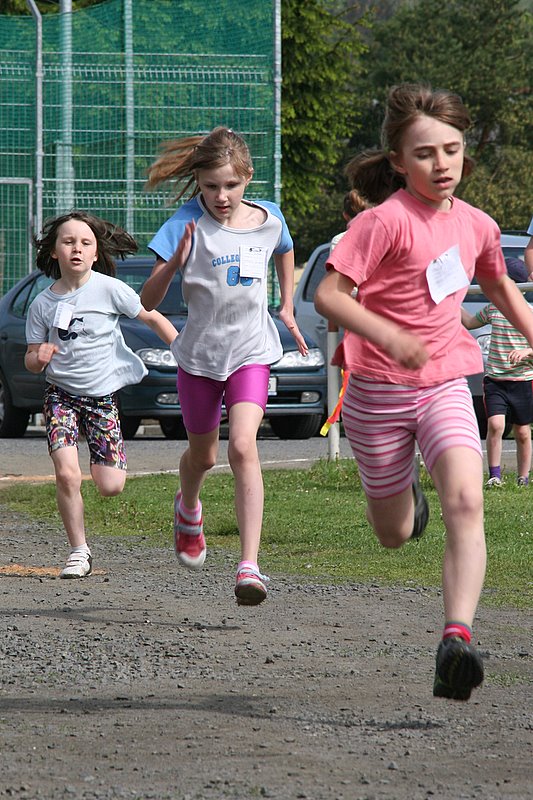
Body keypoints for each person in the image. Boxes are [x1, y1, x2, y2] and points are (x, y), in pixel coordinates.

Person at [314, 83, 533, 701]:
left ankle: (455, 639)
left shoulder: (478, 225)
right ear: (398, 161)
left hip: (443, 383)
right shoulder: (382, 222)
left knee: (467, 500)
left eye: (452, 150)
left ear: (465, 152)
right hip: (377, 391)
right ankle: (407, 500)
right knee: (392, 533)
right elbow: (328, 296)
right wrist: (388, 334)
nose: (442, 164)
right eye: (425, 153)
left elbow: (501, 287)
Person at [141, 126, 307, 606]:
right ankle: (188, 506)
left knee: (242, 446)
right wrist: (173, 262)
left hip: (251, 352)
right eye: (211, 185)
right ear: (198, 181)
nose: (221, 196)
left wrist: (287, 304)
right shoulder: (183, 224)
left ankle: (249, 565)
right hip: (199, 358)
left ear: (247, 177)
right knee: (204, 457)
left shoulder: (269, 218)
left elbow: (284, 248)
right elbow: (147, 300)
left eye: (231, 185)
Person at [25, 211, 179, 579]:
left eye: (85, 243)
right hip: (60, 396)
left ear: (96, 253)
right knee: (67, 475)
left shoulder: (110, 289)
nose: (76, 249)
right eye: (68, 242)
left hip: (101, 400)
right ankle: (79, 551)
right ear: (54, 252)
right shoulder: (42, 304)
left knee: (111, 486)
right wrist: (38, 357)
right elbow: (30, 359)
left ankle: (104, 463)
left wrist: (184, 352)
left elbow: (152, 317)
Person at [462, 257, 533, 488]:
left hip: (522, 380)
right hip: (495, 380)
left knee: (522, 433)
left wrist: (526, 351)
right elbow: (470, 322)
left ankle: (523, 478)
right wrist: (450, 302)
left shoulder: (529, 312)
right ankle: (494, 476)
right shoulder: (494, 308)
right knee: (495, 426)